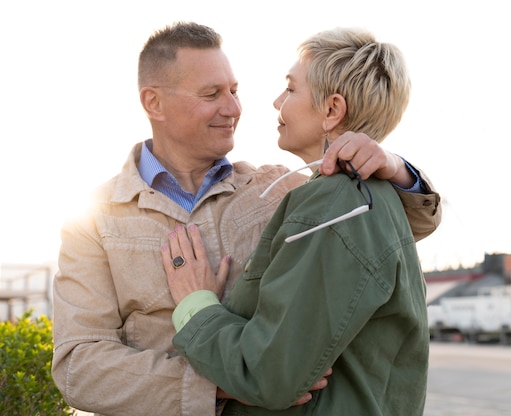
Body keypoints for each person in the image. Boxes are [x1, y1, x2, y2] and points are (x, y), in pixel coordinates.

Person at [51, 22, 441, 416]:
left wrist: (394, 167)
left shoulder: (280, 187)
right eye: (212, 94)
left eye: (234, 91)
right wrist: (219, 385)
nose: (235, 108)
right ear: (154, 103)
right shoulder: (96, 219)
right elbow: (77, 368)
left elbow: (392, 228)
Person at [165, 27, 431, 415]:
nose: (277, 102)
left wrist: (196, 306)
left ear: (332, 110)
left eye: (290, 89)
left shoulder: (335, 203)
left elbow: (270, 374)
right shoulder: (365, 196)